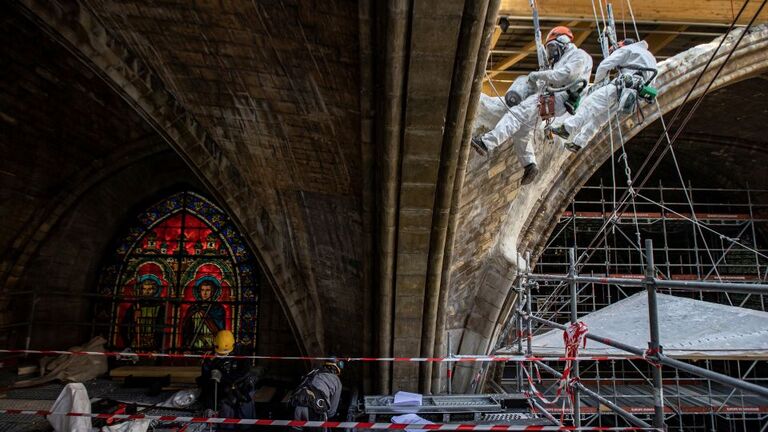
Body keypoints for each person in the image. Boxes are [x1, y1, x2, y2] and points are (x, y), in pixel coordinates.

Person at [472, 26, 593, 185]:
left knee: (516, 114)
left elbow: (565, 75)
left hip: (557, 98)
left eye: (551, 47)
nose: (551, 52)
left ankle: (486, 143)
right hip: (555, 99)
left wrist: (537, 75)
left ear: (563, 41)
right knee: (522, 131)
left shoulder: (578, 55)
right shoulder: (562, 60)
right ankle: (530, 165)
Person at [548, 38, 657, 152]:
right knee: (600, 119)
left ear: (624, 44)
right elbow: (651, 84)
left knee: (590, 105)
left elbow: (605, 65)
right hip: (632, 95)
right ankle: (578, 143)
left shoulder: (627, 49)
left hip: (619, 87)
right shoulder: (651, 58)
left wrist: (597, 85)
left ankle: (566, 129)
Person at [198, 330, 256, 428]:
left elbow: (244, 373)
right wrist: (209, 407)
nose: (222, 355)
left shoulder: (242, 353)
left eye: (225, 353)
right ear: (215, 345)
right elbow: (207, 386)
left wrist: (223, 377)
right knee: (226, 424)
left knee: (246, 423)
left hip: (243, 391)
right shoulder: (210, 359)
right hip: (224, 396)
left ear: (233, 346)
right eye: (220, 354)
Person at [290, 360, 343, 430]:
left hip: (297, 404)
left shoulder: (312, 372)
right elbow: (332, 410)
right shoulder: (336, 380)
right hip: (315, 408)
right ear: (336, 370)